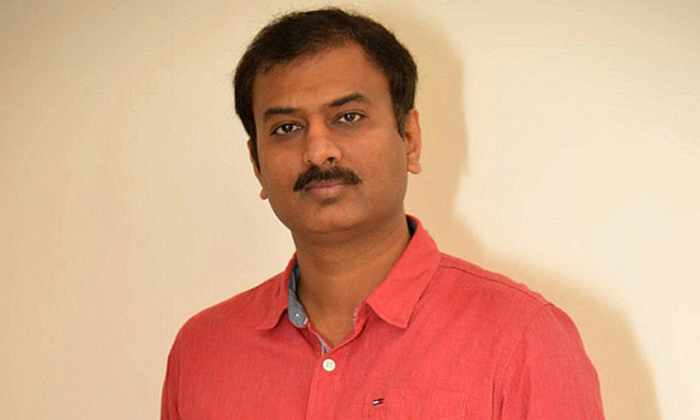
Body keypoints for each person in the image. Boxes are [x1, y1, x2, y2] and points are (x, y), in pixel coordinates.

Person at [161, 8, 605, 419]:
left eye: (348, 117)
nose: (319, 150)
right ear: (257, 163)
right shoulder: (202, 352)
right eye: (287, 128)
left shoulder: (523, 337)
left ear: (409, 138)